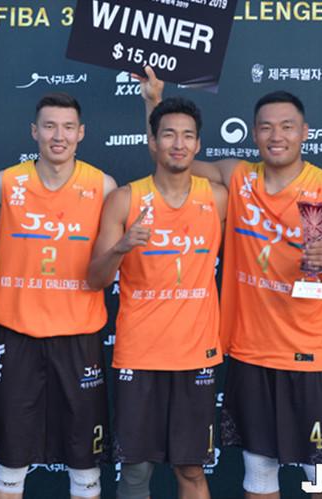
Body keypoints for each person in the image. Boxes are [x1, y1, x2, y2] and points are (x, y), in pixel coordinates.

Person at [137, 68, 322, 499]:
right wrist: (154, 102)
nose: (276, 136)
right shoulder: (238, 177)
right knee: (259, 474)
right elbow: (172, 159)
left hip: (310, 355)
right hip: (250, 352)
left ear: (305, 133)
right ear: (255, 133)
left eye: (287, 127)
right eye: (266, 127)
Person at [0, 93, 117, 499]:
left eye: (68, 127)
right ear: (34, 131)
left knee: (85, 463)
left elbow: (112, 260)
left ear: (81, 133)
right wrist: (3, 288)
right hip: (18, 333)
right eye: (50, 126)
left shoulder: (103, 186)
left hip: (79, 336)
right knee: (11, 460)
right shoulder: (7, 182)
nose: (59, 136)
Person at [88, 96, 228, 499]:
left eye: (187, 136)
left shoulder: (218, 197)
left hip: (196, 355)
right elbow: (96, 279)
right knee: (135, 472)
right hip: (140, 354)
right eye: (168, 135)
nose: (178, 144)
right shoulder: (125, 199)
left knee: (191, 470)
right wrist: (121, 247)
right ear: (152, 142)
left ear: (198, 145)